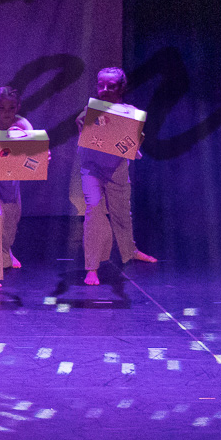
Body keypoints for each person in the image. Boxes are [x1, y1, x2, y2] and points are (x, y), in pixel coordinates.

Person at [78, 67, 157, 286]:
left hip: (116, 169)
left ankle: (130, 250)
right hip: (91, 168)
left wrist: (135, 138)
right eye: (101, 85)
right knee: (93, 209)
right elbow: (83, 129)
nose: (104, 89)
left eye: (110, 86)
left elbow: (133, 144)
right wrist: (83, 125)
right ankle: (92, 267)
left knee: (122, 214)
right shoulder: (91, 109)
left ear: (121, 88)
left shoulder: (130, 112)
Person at [0, 86, 43, 289]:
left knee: (12, 218)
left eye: (11, 108)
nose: (6, 112)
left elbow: (34, 147)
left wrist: (42, 154)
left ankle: (5, 252)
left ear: (17, 107)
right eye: (1, 107)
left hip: (10, 176)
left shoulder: (22, 123)